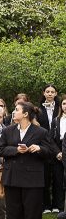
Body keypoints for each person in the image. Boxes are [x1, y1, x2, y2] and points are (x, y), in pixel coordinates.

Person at [0, 101, 55, 219]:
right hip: (12, 177)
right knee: (13, 212)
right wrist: (16, 149)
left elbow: (50, 152)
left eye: (16, 110)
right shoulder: (8, 131)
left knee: (32, 212)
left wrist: (39, 148)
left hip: (33, 178)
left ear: (25, 114)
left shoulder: (40, 132)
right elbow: (1, 149)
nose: (13, 112)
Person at [36, 84, 63, 212]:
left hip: (57, 145)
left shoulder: (60, 107)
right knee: (45, 176)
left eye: (52, 91)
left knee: (58, 177)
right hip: (43, 145)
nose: (50, 94)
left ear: (56, 93)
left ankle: (57, 205)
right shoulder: (38, 109)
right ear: (44, 93)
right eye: (48, 91)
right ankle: (46, 205)